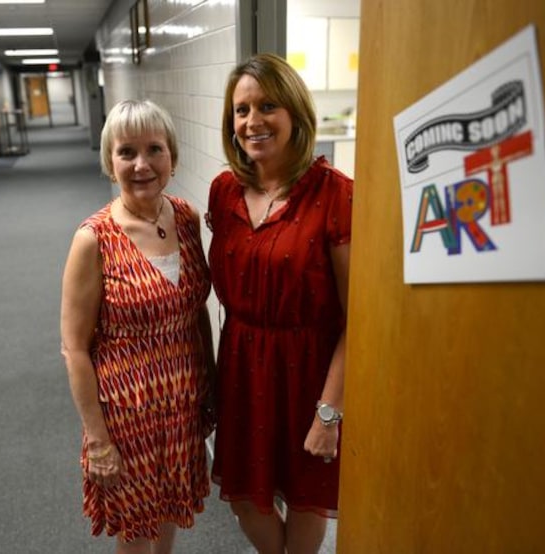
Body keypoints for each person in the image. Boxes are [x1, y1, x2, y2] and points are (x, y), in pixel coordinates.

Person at [206, 53, 353, 553]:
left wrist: (329, 413)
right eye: (241, 110)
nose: (253, 121)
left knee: (307, 499)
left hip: (310, 372)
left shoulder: (336, 195)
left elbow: (360, 321)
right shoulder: (224, 191)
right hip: (243, 366)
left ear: (294, 112)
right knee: (247, 500)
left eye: (267, 105)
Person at [60, 99, 216, 553]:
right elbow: (73, 348)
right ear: (111, 161)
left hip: (182, 401)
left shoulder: (185, 218)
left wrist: (212, 384)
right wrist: (97, 440)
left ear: (173, 156)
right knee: (136, 530)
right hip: (127, 412)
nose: (142, 164)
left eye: (154, 149)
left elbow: (196, 313)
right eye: (127, 152)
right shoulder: (94, 238)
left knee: (167, 511)